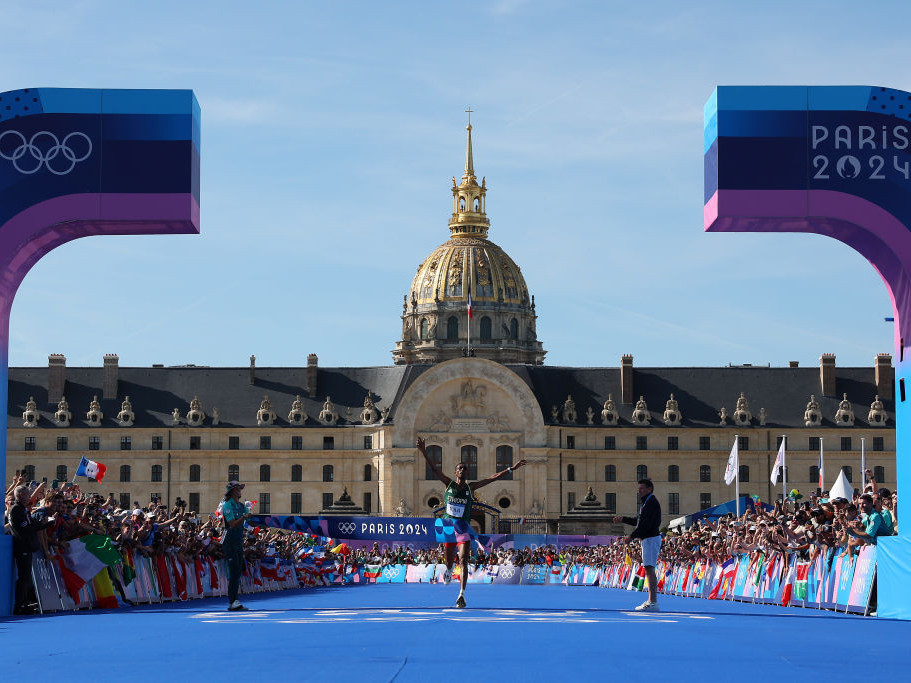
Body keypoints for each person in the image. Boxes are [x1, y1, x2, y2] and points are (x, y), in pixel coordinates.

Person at [417, 437, 526, 608]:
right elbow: (433, 468)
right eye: (459, 468)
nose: (462, 470)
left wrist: (511, 468)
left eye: (464, 469)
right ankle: (448, 570)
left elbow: (493, 478)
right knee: (449, 561)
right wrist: (423, 451)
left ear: (467, 473)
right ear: (455, 472)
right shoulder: (448, 484)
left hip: (463, 529)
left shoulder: (470, 488)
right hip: (447, 527)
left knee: (463, 560)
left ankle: (461, 595)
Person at [613, 478, 662, 611]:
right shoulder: (646, 503)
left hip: (651, 538)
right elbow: (638, 522)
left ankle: (653, 602)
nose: (639, 491)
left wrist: (631, 536)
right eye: (639, 489)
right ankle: (651, 601)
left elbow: (645, 525)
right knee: (648, 569)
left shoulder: (651, 502)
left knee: (649, 569)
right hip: (648, 539)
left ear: (649, 489)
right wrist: (623, 519)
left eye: (642, 488)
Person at [221, 480, 253, 611]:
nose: (240, 490)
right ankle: (232, 601)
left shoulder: (241, 506)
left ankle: (234, 600)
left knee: (238, 571)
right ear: (233, 491)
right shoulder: (227, 505)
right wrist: (245, 517)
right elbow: (233, 523)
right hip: (230, 542)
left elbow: (250, 521)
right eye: (238, 488)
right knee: (234, 572)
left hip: (238, 541)